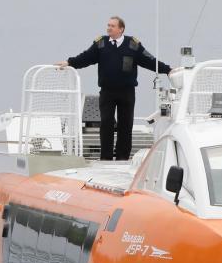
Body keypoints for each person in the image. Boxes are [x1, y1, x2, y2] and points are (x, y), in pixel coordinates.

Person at [57, 16, 171, 161]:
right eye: (108, 25)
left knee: (126, 125)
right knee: (106, 124)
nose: (108, 28)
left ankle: (122, 158)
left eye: (112, 26)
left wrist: (167, 69)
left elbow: (150, 61)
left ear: (121, 29)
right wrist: (69, 62)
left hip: (127, 92)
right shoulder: (101, 44)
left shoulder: (133, 45)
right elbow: (85, 57)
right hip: (107, 92)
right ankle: (106, 158)